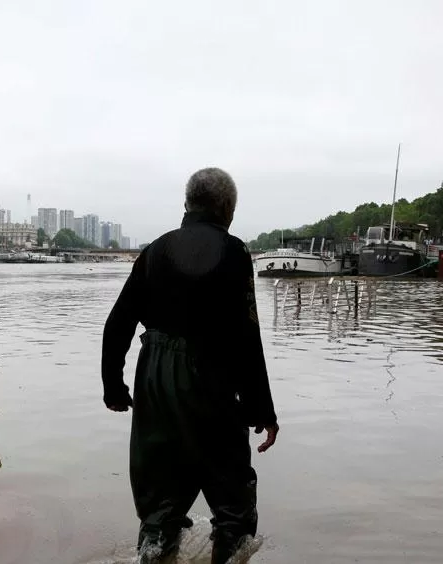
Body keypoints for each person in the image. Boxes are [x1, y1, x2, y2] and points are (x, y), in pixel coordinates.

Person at [100, 167, 279, 564]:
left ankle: (154, 551)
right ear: (227, 208)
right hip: (210, 376)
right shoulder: (235, 252)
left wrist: (114, 386)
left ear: (187, 204)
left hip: (155, 377)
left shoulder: (154, 251)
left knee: (160, 497)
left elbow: (118, 323)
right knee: (232, 499)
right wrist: (261, 410)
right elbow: (247, 337)